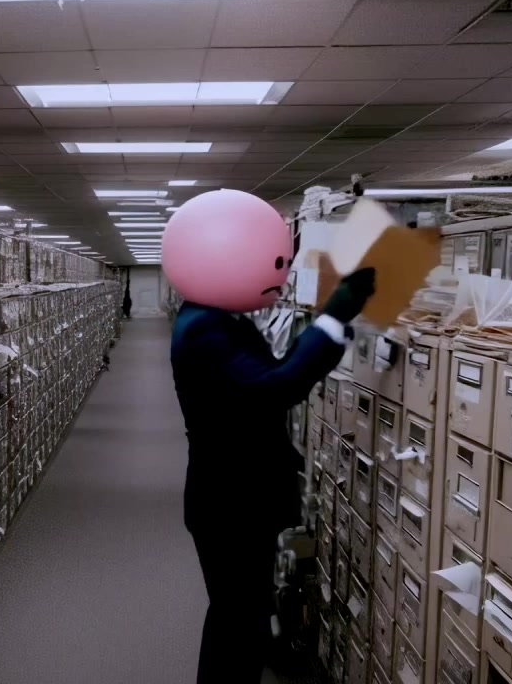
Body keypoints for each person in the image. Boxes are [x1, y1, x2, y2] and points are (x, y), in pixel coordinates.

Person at [163, 189, 376, 684]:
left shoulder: (214, 318)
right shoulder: (205, 330)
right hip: (231, 503)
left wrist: (319, 328)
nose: (281, 274)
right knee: (236, 620)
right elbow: (275, 387)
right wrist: (332, 319)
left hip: (234, 497)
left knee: (241, 616)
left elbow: (269, 373)